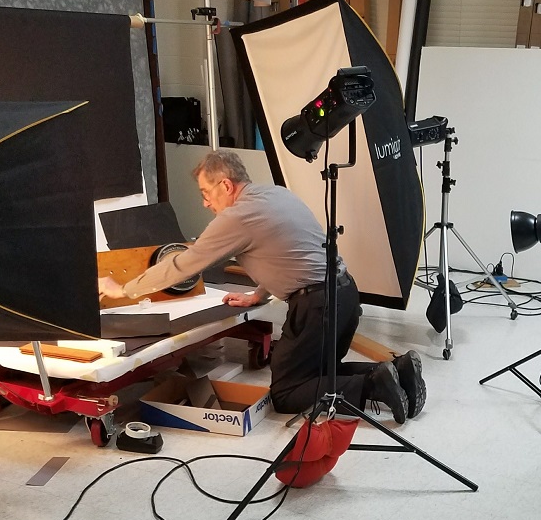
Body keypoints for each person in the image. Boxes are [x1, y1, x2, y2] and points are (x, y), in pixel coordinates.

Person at [97, 149, 425, 422]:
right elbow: (287, 251)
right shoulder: (275, 194)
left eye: (206, 193)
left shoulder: (236, 217)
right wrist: (257, 294)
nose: (205, 203)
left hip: (318, 306)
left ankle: (373, 384)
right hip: (345, 293)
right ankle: (397, 370)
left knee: (287, 393)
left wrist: (123, 289)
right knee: (323, 371)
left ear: (226, 185)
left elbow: (184, 264)